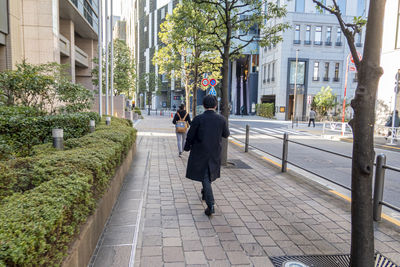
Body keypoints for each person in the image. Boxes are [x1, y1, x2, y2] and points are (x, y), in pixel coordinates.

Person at [184, 95, 230, 216]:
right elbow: (226, 134)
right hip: (215, 151)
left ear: (204, 105)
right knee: (208, 174)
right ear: (215, 105)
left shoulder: (198, 119)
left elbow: (190, 135)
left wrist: (187, 147)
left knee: (205, 176)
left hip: (200, 151)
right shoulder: (221, 119)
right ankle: (205, 192)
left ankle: (210, 204)